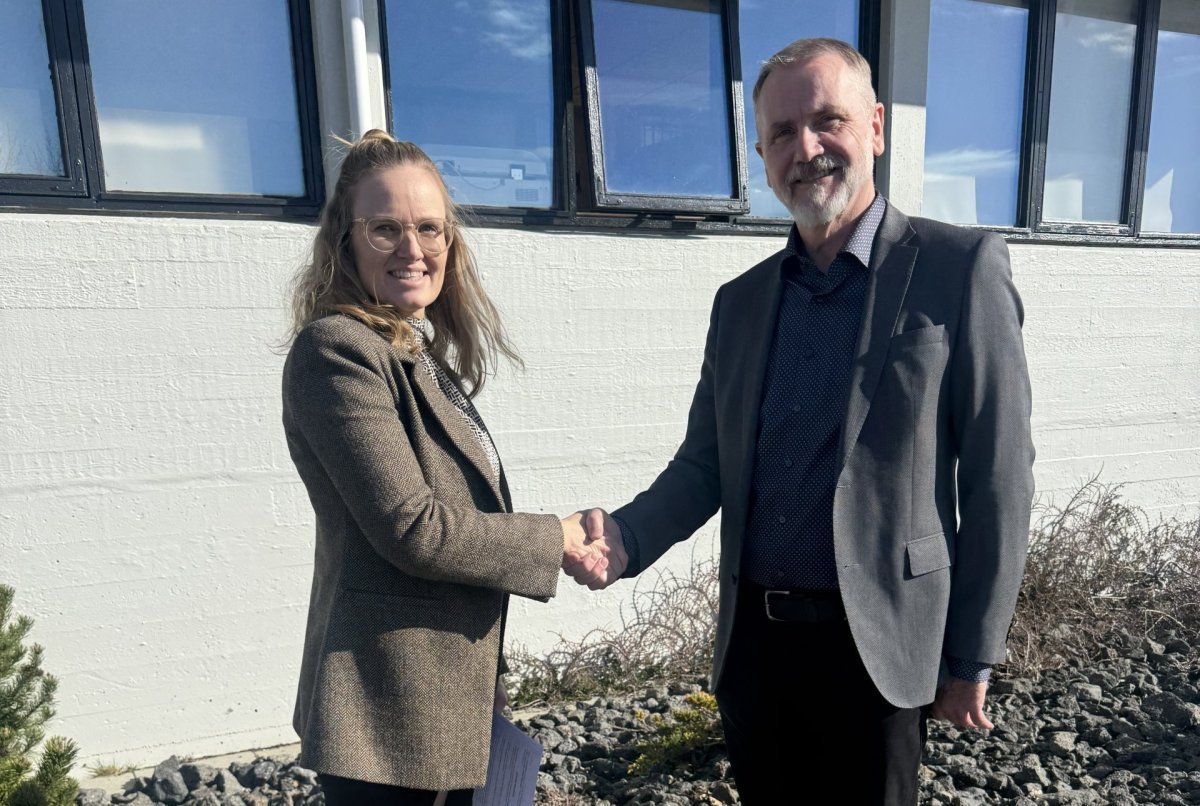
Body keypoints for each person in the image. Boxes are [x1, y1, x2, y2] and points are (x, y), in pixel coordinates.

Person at [570, 38, 1035, 804]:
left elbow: (999, 478)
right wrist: (626, 536)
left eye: (828, 121)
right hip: (756, 651)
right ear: (761, 155)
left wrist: (971, 655)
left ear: (875, 126)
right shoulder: (741, 303)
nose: (807, 148)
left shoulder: (959, 269)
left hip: (881, 649)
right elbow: (704, 466)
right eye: (782, 133)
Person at [282, 130, 620, 805]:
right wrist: (555, 537)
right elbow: (414, 528)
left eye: (429, 228)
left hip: (442, 704)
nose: (413, 249)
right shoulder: (337, 352)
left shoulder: (414, 354)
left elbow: (461, 524)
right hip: (385, 719)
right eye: (385, 229)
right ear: (345, 240)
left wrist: (484, 674)